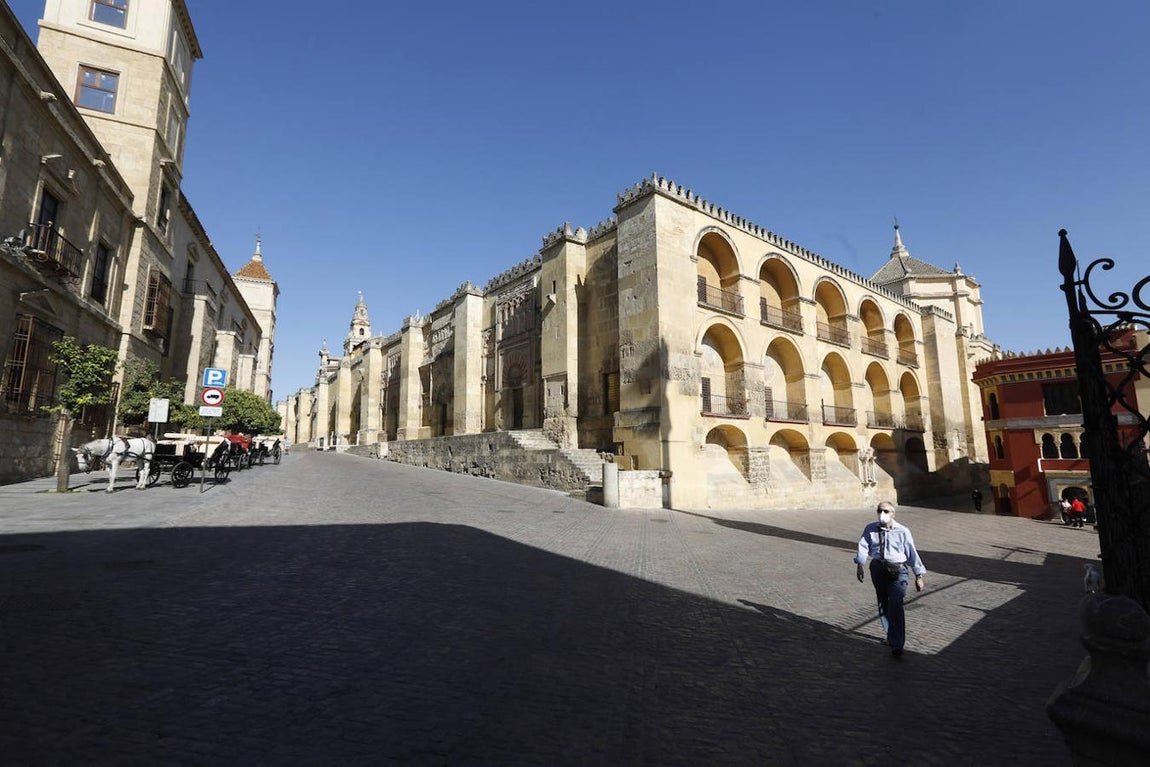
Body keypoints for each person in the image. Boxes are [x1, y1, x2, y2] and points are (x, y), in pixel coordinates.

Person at [854, 501, 927, 657]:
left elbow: (912, 553)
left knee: (896, 603)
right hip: (878, 568)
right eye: (880, 510)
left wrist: (918, 576)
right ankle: (890, 635)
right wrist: (860, 565)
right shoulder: (870, 528)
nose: (883, 514)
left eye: (886, 511)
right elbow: (863, 546)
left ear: (893, 513)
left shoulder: (903, 531)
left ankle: (897, 643)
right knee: (883, 602)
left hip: (898, 570)